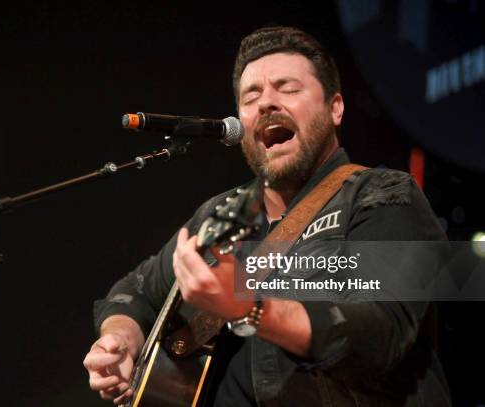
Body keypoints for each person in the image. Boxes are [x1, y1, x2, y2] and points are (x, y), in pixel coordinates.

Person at [83, 26, 452, 406]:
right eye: (251, 96)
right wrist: (121, 340)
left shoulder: (382, 195)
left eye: (288, 88)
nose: (266, 104)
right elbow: (134, 293)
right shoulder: (217, 217)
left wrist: (252, 308)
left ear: (335, 108)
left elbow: (378, 333)